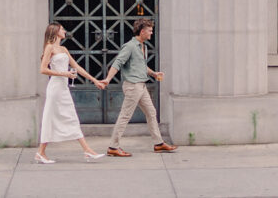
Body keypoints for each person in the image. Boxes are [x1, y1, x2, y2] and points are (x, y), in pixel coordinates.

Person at [99, 18, 177, 156]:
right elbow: (118, 63)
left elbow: (141, 66)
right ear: (142, 31)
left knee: (151, 113)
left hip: (141, 85)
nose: (151, 33)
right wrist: (107, 79)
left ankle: (158, 143)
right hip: (132, 86)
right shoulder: (130, 46)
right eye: (150, 31)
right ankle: (113, 147)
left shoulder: (143, 47)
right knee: (125, 116)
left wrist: (154, 74)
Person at [35, 22, 106, 164]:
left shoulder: (63, 49)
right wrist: (64, 74)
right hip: (55, 88)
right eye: (62, 29)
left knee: (70, 117)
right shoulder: (50, 48)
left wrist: (94, 80)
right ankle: (42, 152)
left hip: (63, 88)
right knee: (54, 118)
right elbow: (43, 69)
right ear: (55, 32)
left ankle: (85, 150)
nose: (64, 31)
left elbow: (77, 67)